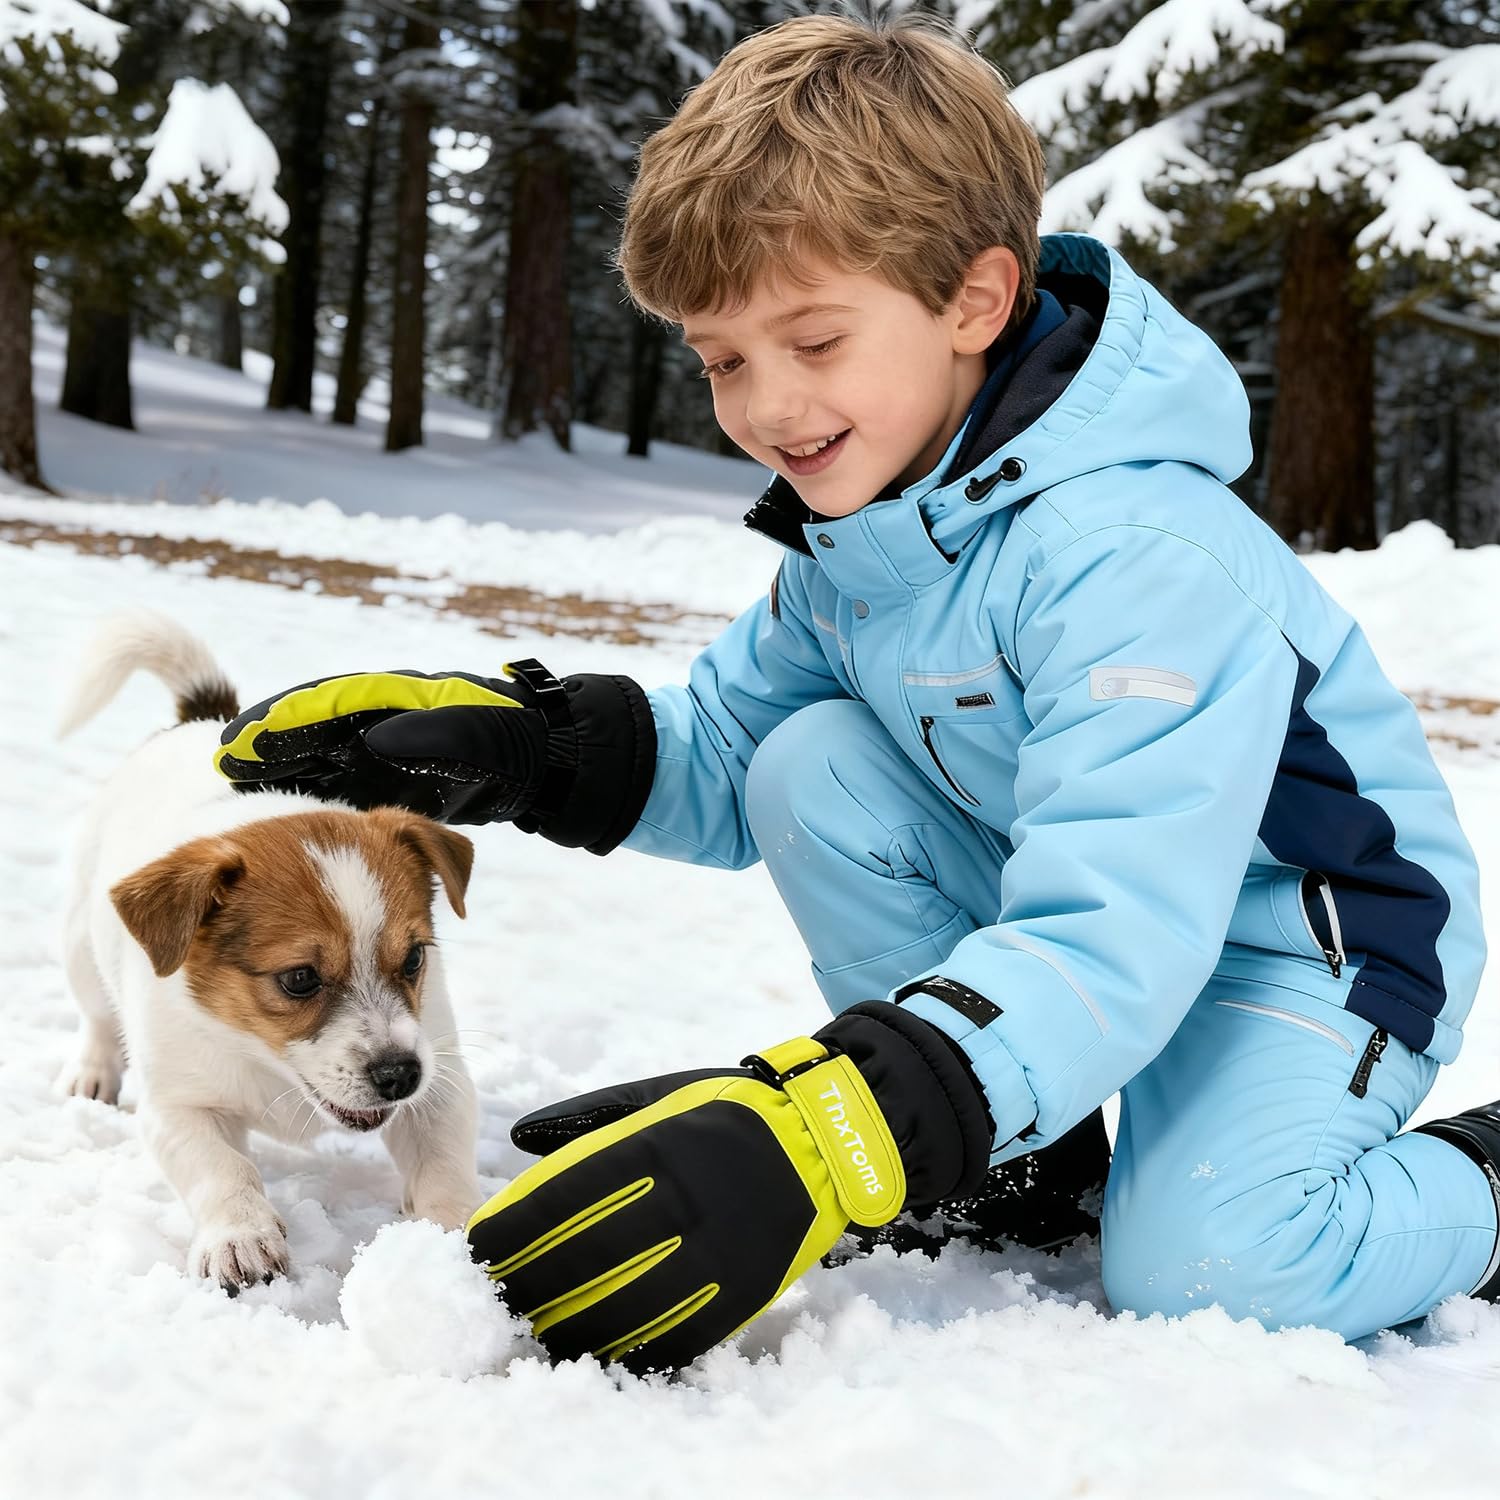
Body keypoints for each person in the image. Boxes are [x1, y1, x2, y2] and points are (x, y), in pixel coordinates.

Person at [216, 13, 1497, 1373]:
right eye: (722, 360)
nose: (766, 406)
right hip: (1075, 917)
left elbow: (1116, 927)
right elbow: (725, 753)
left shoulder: (1136, 557)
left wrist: (833, 1129)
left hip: (1306, 948)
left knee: (1212, 1266)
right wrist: (524, 750)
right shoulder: (875, 531)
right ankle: (1014, 1162)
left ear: (974, 302)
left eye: (813, 341)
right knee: (808, 763)